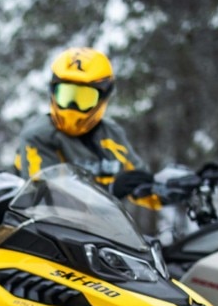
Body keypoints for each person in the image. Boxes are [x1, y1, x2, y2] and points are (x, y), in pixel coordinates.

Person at [15, 46, 161, 206]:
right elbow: (44, 197)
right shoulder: (38, 136)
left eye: (84, 98)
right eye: (66, 95)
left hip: (106, 228)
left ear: (103, 98)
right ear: (53, 93)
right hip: (48, 228)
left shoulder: (112, 134)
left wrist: (173, 188)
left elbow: (141, 180)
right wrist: (109, 190)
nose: (72, 106)